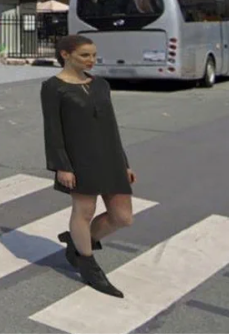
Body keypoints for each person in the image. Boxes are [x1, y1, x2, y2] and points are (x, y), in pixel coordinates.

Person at [41, 34, 136, 299]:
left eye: (93, 55)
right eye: (85, 55)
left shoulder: (101, 85)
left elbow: (111, 126)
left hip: (110, 157)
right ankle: (87, 264)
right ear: (65, 55)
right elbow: (53, 130)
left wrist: (124, 162)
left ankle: (77, 240)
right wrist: (62, 166)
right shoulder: (53, 87)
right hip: (78, 158)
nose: (91, 60)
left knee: (123, 217)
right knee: (84, 211)